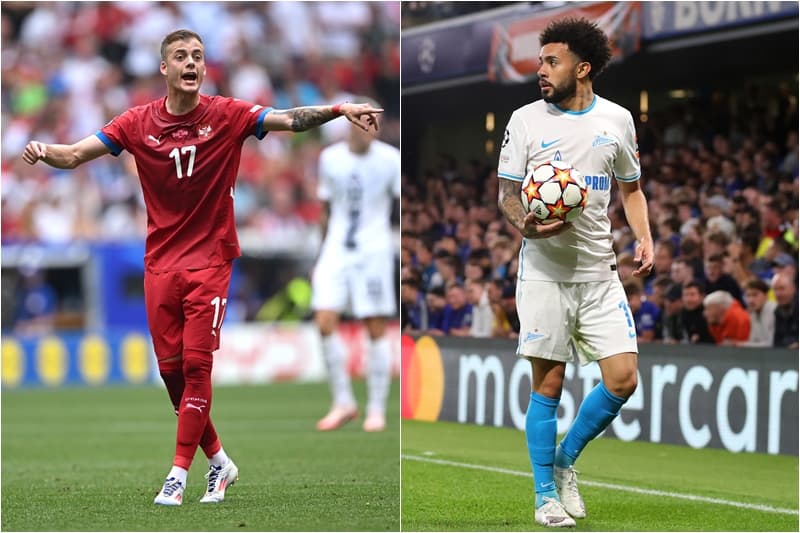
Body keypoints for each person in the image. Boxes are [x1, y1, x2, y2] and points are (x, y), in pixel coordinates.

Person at [22, 29, 383, 506]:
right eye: (180, 56)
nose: (191, 62)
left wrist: (338, 109)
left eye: (197, 55)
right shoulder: (135, 123)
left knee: (196, 367)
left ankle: (176, 475)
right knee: (171, 373)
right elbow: (73, 154)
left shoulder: (228, 115)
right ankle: (220, 463)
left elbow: (291, 120)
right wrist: (45, 151)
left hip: (210, 260)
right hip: (160, 263)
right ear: (164, 69)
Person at [496, 18, 653, 527]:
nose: (540, 70)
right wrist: (526, 226)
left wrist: (645, 236)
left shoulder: (617, 121)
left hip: (600, 273)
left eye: (551, 61)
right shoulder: (525, 120)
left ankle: (565, 462)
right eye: (540, 61)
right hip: (543, 272)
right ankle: (545, 496)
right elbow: (506, 194)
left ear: (582, 68)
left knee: (624, 379)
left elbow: (630, 188)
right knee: (549, 384)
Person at [311, 97, 400, 433]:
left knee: (374, 324)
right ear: (352, 122)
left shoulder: (391, 160)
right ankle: (343, 402)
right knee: (323, 318)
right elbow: (324, 209)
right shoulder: (329, 159)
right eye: (364, 120)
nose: (368, 128)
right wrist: (320, 253)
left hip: (373, 249)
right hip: (336, 247)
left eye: (374, 122)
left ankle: (375, 408)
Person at [737, 278, 776, 347]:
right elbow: (753, 341)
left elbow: (771, 344)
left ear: (765, 295)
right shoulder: (752, 313)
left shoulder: (774, 311)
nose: (751, 300)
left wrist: (740, 345)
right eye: (748, 295)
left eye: (755, 295)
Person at [771, 271, 799, 348]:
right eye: (775, 290)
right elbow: (777, 342)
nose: (778, 294)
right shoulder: (777, 311)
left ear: (793, 288)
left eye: (782, 289)